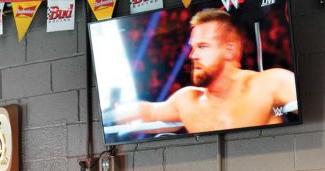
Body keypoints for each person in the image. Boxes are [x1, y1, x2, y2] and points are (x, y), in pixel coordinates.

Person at [113, 9, 297, 134]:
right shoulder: (187, 100)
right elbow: (149, 111)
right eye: (192, 47)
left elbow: (318, 105)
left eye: (203, 46)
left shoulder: (270, 83)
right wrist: (113, 113)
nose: (193, 55)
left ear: (229, 50)